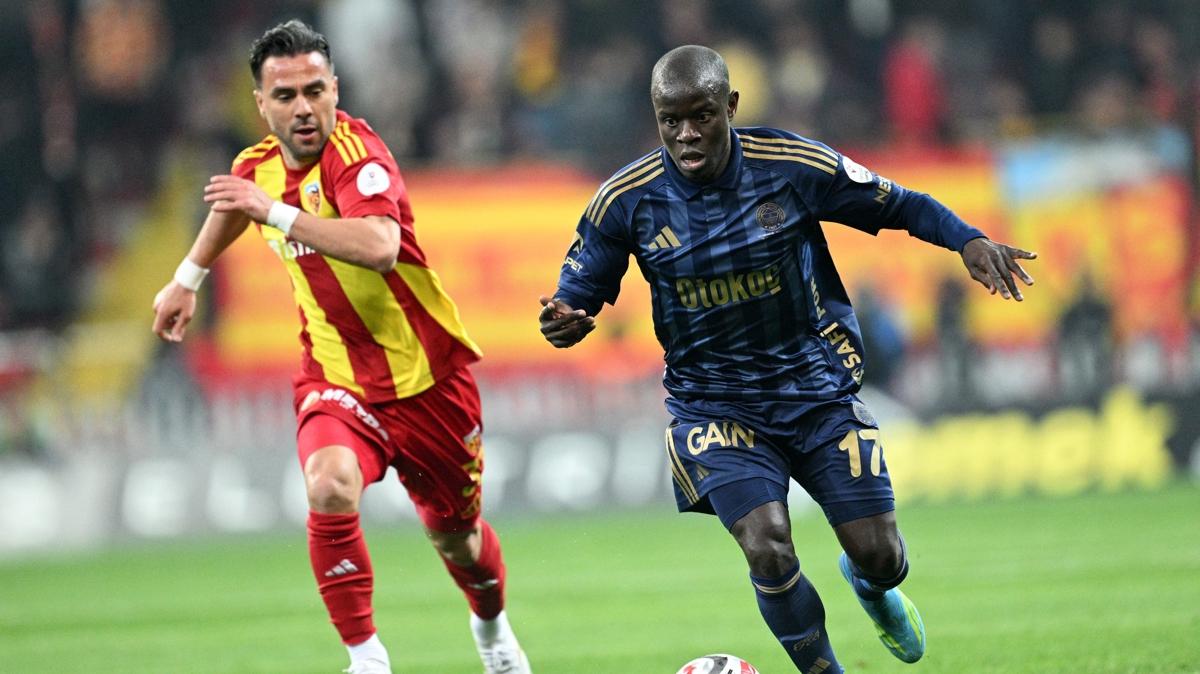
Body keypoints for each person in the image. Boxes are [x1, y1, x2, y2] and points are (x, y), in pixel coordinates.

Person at [539, 45, 1036, 673]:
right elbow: (577, 290)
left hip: (815, 387)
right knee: (767, 546)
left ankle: (871, 586)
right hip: (714, 404)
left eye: (701, 116)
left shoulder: (791, 165)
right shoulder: (625, 199)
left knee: (882, 557)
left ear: (731, 106)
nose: (686, 134)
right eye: (670, 120)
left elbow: (899, 203)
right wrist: (565, 319)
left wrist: (967, 240)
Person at [151, 20, 531, 674]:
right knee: (328, 484)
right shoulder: (257, 169)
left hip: (428, 382)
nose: (303, 108)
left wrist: (273, 213)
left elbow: (380, 247)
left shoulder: (360, 157)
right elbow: (234, 203)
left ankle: (492, 627)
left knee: (459, 541)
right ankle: (367, 658)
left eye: (315, 90)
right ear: (261, 104)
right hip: (337, 376)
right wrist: (187, 278)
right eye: (286, 95)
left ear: (336, 90)